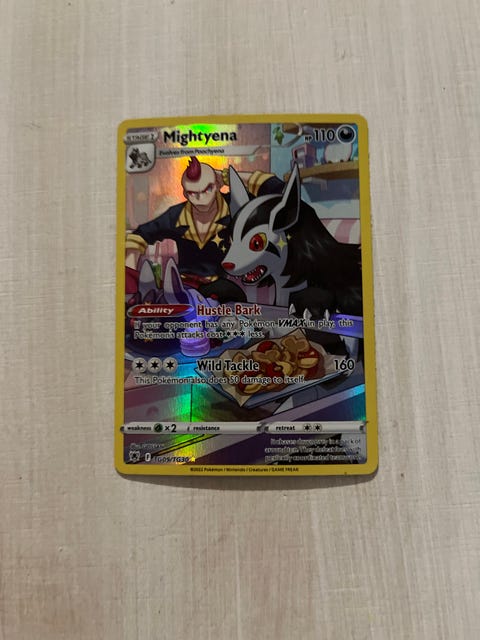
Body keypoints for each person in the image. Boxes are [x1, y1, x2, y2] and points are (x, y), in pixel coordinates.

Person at [125, 157, 283, 302]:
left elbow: (278, 190)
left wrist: (228, 176)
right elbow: (139, 235)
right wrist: (131, 275)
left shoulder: (235, 207)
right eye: (192, 193)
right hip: (183, 288)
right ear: (185, 193)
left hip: (223, 289)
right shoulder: (176, 215)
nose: (200, 198)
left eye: (207, 189)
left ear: (218, 185)